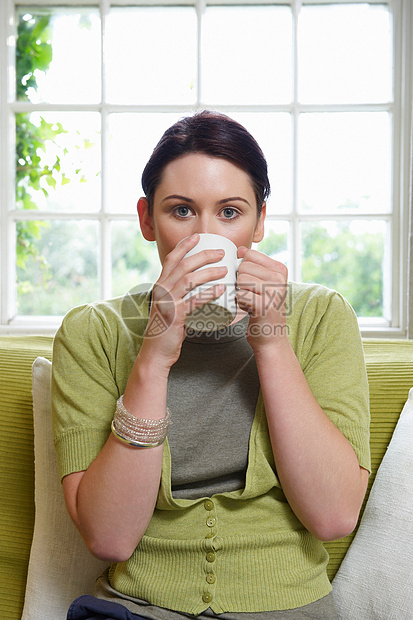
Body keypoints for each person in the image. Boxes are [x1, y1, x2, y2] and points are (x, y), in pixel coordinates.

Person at [51, 110, 371, 620]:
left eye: (230, 212)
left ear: (260, 219)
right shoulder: (93, 332)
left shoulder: (321, 317)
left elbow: (333, 516)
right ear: (146, 219)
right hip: (138, 608)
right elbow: (110, 537)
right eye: (181, 211)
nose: (204, 234)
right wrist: (154, 355)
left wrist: (270, 341)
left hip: (289, 606)